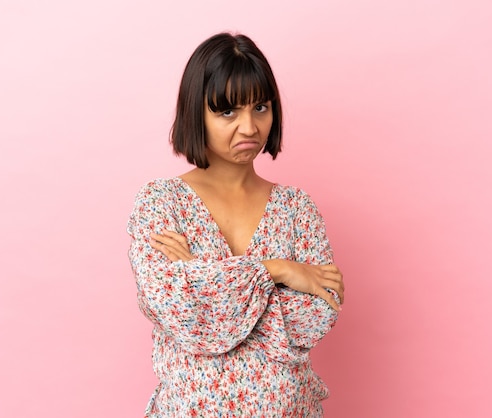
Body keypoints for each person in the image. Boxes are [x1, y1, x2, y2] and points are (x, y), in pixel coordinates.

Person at [127, 32, 344, 417]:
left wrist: (201, 280)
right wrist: (278, 271)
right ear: (197, 112)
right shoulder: (161, 203)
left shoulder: (296, 209)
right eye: (227, 111)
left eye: (260, 107)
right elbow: (174, 305)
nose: (249, 127)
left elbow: (315, 317)